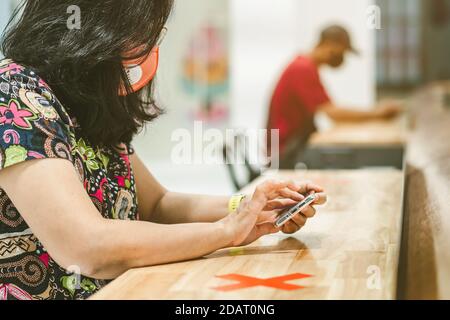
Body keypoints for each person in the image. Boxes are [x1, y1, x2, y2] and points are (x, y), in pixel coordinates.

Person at [0, 0, 327, 300]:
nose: (148, 45)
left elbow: (157, 204)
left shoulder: (84, 99)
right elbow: (87, 247)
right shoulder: (14, 94)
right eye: (141, 31)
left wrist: (248, 207)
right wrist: (225, 231)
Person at [267, 25, 402, 169]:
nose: (343, 57)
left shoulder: (305, 66)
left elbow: (329, 110)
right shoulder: (302, 68)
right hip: (286, 153)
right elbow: (333, 113)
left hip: (292, 148)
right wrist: (378, 113)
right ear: (330, 45)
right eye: (342, 51)